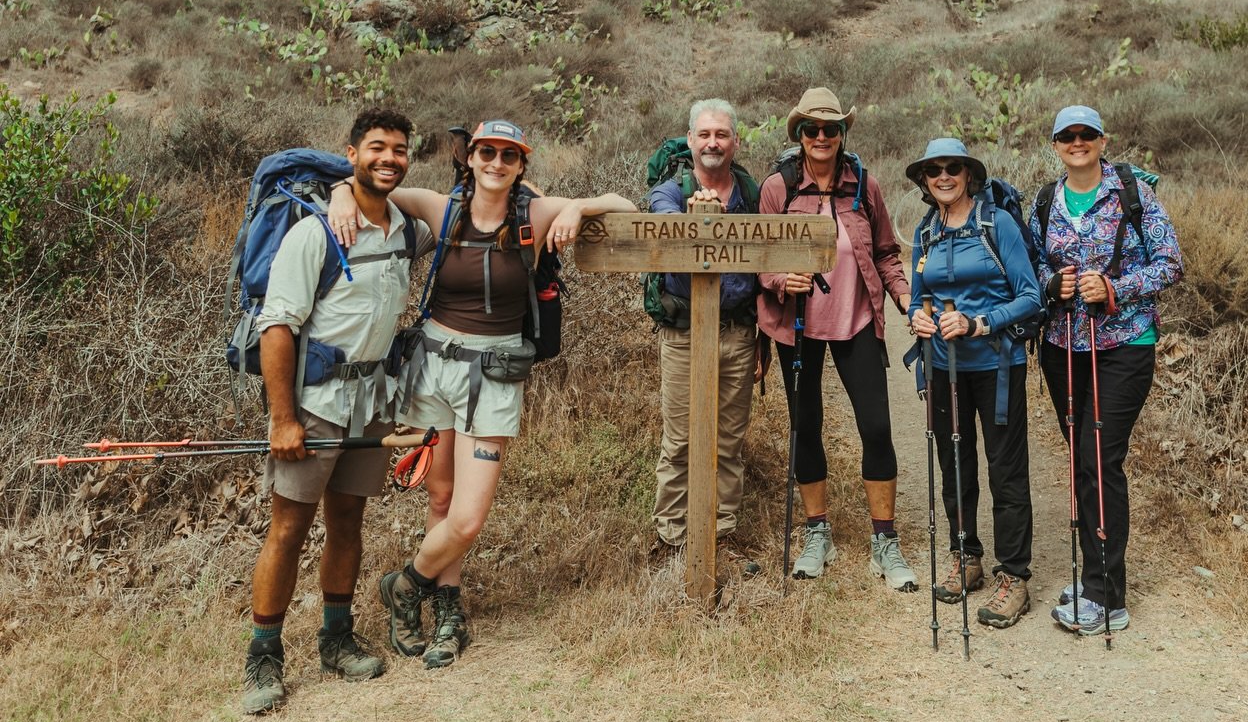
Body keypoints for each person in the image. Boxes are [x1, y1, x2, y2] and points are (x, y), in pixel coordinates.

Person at [328, 118, 635, 668]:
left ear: (522, 165)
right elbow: (367, 177)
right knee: (441, 500)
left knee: (468, 517)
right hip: (433, 368)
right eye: (486, 152)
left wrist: (576, 208)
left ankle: (405, 586)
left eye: (508, 156)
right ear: (469, 157)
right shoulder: (440, 207)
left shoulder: (533, 214)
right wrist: (339, 191)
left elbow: (624, 203)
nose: (496, 163)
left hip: (493, 374)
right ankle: (448, 611)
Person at [244, 108, 429, 716]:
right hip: (315, 405)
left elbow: (471, 205)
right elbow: (277, 328)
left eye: (399, 150)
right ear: (350, 153)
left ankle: (337, 636)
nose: (389, 159)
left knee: (348, 523)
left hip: (370, 405)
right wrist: (282, 419)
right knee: (289, 528)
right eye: (376, 148)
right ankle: (263, 656)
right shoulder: (315, 233)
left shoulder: (406, 231)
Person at [1029, 105, 1182, 636]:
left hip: (1124, 344)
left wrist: (1115, 288)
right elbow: (1034, 268)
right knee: (1080, 460)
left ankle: (1107, 597)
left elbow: (1170, 262)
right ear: (1055, 145)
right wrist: (1054, 286)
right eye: (1067, 136)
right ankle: (1095, 574)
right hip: (1062, 346)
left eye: (1086, 135)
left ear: (1102, 140)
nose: (1077, 143)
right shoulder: (1046, 201)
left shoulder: (1133, 195)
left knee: (1100, 457)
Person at [757, 87, 918, 590]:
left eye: (831, 128)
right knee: (806, 426)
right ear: (800, 135)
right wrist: (786, 281)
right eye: (812, 129)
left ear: (843, 133)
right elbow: (761, 260)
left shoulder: (863, 186)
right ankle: (816, 531)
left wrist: (906, 300)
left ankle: (884, 541)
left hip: (856, 321)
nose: (822, 136)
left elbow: (888, 252)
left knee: (876, 427)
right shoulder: (777, 188)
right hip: (797, 326)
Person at [905, 138, 1042, 629]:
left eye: (953, 168)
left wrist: (978, 322)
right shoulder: (925, 232)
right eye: (934, 170)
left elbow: (1031, 297)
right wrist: (919, 321)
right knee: (954, 464)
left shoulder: (996, 224)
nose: (944, 176)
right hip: (943, 368)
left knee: (1006, 468)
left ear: (968, 175)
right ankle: (967, 557)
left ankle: (1014, 575)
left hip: (997, 366)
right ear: (924, 179)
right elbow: (918, 298)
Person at [649, 99, 762, 574]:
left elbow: (765, 266)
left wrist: (766, 342)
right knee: (679, 441)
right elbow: (659, 223)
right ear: (691, 140)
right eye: (705, 135)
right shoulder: (671, 190)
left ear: (735, 141)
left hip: (738, 333)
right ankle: (671, 538)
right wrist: (692, 222)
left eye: (722, 134)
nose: (713, 143)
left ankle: (723, 534)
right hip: (682, 335)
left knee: (728, 442)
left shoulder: (751, 193)